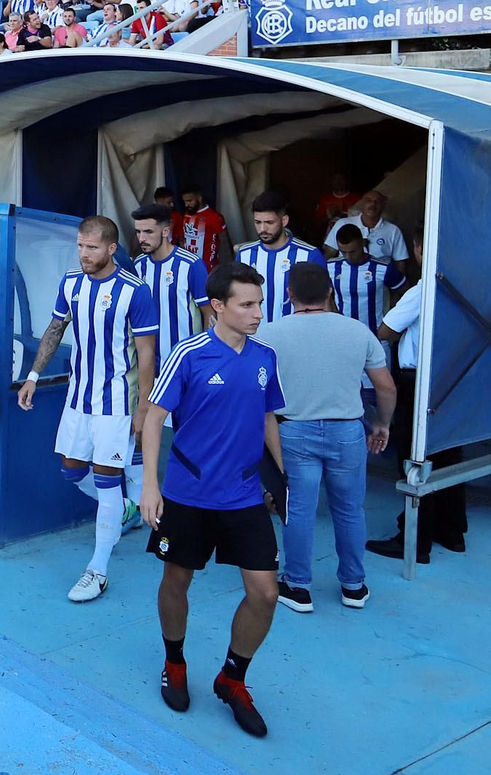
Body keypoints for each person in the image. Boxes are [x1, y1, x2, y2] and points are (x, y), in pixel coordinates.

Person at [139, 262, 285, 739]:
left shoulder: (265, 357)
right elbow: (155, 418)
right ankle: (175, 662)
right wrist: (149, 485)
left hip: (243, 495)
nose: (257, 313)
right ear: (217, 307)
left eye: (259, 303)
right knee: (177, 580)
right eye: (247, 304)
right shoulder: (189, 354)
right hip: (188, 496)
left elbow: (267, 419)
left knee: (265, 593)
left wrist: (283, 479)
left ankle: (232, 677)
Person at [18, 216, 156, 603]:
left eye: (92, 247)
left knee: (108, 479)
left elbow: (147, 354)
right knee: (71, 471)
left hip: (116, 403)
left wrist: (144, 407)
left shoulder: (135, 291)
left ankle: (97, 570)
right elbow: (55, 328)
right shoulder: (71, 283)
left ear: (111, 249)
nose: (84, 254)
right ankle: (126, 507)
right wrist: (32, 374)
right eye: (80, 246)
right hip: (78, 399)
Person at [255, 263, 395, 615]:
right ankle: (354, 585)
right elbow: (385, 387)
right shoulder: (357, 330)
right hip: (347, 430)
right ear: (331, 292)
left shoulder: (270, 334)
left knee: (299, 510)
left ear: (290, 295)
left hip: (294, 430)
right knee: (349, 510)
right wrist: (381, 424)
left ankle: (299, 587)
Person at [367, 231, 467, 563]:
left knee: (414, 457)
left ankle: (415, 538)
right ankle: (451, 531)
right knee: (449, 453)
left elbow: (386, 330)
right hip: (452, 375)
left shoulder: (422, 289)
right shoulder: (464, 285)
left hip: (418, 379)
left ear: (419, 249)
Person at [129, 203, 212, 527]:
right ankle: (143, 503)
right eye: (138, 232)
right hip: (147, 369)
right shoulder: (137, 266)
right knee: (142, 432)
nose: (142, 238)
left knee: (191, 437)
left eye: (148, 231)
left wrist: (206, 362)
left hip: (185, 369)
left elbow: (209, 316)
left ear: (166, 231)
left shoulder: (191, 265)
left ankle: (199, 506)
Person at [232, 191, 328, 324]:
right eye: (257, 222)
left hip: (295, 336)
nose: (262, 229)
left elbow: (325, 302)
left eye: (269, 222)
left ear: (284, 221)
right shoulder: (244, 254)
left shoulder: (309, 254)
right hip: (256, 337)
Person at [326, 190, 410, 271]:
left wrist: (397, 282)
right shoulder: (342, 224)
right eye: (368, 200)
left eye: (377, 201)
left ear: (383, 205)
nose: (373, 204)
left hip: (380, 281)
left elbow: (400, 263)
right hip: (345, 278)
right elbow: (329, 254)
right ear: (361, 204)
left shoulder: (393, 231)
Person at [176, 187, 229, 269]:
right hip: (188, 266)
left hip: (207, 268)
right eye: (185, 202)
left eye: (189, 201)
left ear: (199, 198)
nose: (186, 205)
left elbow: (224, 243)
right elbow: (182, 239)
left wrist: (226, 267)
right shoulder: (187, 214)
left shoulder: (214, 217)